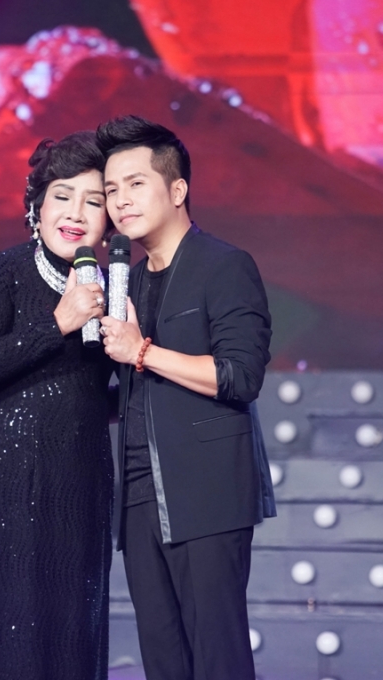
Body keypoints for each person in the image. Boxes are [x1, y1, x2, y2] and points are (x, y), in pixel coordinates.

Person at [98, 116, 276, 680]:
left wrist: (142, 351)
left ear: (177, 190)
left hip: (205, 492)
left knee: (217, 657)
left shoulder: (224, 265)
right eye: (111, 190)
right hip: (137, 496)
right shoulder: (125, 280)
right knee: (163, 659)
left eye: (135, 184)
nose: (121, 201)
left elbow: (239, 375)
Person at [0, 131, 114, 680]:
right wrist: (58, 322)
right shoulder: (4, 272)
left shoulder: (112, 288)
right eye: (62, 196)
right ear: (36, 207)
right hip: (3, 480)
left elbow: (94, 390)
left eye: (93, 201)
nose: (76, 213)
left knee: (69, 620)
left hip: (77, 478)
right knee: (3, 621)